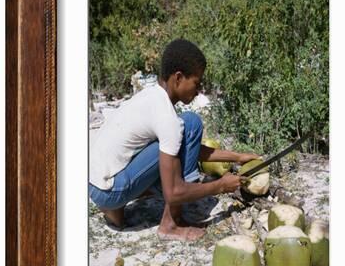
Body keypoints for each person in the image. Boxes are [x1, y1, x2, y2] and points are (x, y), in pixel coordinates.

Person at [89, 39, 260, 241]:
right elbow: (173, 192)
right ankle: (170, 224)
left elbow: (190, 149)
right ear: (178, 78)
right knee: (191, 123)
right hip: (111, 189)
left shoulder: (150, 95)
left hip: (95, 184)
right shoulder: (167, 118)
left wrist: (237, 157)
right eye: (197, 83)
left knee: (184, 129)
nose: (199, 90)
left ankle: (114, 208)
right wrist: (221, 186)